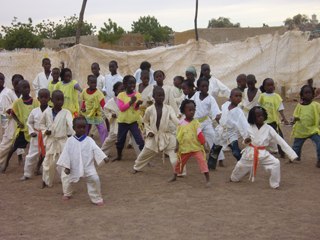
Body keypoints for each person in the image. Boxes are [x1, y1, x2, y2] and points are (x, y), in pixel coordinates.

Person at [229, 106, 297, 189]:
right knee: (240, 166)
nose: (261, 118)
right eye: (258, 116)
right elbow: (245, 141)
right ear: (253, 118)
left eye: (262, 115)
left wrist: (291, 154)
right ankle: (234, 178)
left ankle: (275, 184)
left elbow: (280, 140)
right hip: (250, 153)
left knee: (275, 163)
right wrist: (246, 141)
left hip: (262, 153)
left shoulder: (269, 128)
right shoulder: (250, 128)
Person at [132, 87, 185, 174]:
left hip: (166, 135)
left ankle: (181, 172)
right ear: (153, 96)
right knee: (143, 154)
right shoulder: (149, 109)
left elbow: (175, 120)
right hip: (153, 136)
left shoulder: (169, 108)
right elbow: (145, 121)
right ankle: (136, 167)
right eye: (159, 95)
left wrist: (183, 127)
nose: (161, 97)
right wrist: (149, 132)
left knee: (175, 155)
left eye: (163, 95)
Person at [57, 117, 109, 205]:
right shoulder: (70, 141)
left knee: (94, 179)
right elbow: (65, 154)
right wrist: (67, 166)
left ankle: (97, 198)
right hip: (74, 167)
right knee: (71, 181)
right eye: (79, 127)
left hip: (88, 167)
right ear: (74, 128)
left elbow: (96, 149)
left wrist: (103, 157)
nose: (82, 129)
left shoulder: (89, 140)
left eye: (84, 127)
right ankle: (67, 193)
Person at [167, 99, 211, 188]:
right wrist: (177, 146)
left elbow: (200, 135)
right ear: (184, 111)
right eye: (189, 110)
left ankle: (208, 180)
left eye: (193, 110)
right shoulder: (180, 124)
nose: (192, 112)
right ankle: (175, 176)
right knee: (179, 163)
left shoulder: (196, 123)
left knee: (202, 162)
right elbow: (178, 136)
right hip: (185, 148)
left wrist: (205, 146)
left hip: (196, 148)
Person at [0, 80, 40, 173]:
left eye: (28, 87)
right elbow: (13, 113)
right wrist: (18, 122)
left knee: (39, 149)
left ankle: (37, 168)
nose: (27, 89)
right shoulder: (17, 102)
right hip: (23, 130)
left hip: (33, 130)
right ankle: (6, 163)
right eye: (24, 88)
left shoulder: (35, 101)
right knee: (13, 148)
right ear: (19, 89)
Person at [39, 90, 74, 189]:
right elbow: (41, 124)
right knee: (47, 164)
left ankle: (67, 188)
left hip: (63, 141)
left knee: (65, 164)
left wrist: (74, 136)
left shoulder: (66, 112)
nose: (60, 102)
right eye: (57, 99)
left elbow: (71, 125)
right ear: (52, 100)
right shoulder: (47, 112)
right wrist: (46, 131)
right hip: (51, 141)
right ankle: (45, 181)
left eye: (62, 99)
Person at [208, 89, 248, 169]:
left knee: (236, 151)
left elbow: (244, 125)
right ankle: (210, 166)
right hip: (220, 131)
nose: (238, 98)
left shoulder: (239, 112)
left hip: (231, 134)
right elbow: (222, 114)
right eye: (236, 96)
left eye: (240, 96)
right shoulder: (226, 105)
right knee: (215, 150)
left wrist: (246, 137)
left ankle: (243, 166)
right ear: (230, 97)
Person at [191, 78, 225, 167]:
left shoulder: (211, 99)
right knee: (193, 141)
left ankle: (220, 159)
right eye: (202, 86)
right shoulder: (195, 95)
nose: (205, 88)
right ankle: (200, 160)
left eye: (206, 86)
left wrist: (220, 124)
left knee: (214, 139)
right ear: (198, 87)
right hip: (195, 123)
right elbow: (188, 103)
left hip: (206, 122)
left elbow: (216, 112)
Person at [101, 82, 140, 157]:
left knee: (136, 139)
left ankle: (141, 156)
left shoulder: (129, 99)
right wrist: (111, 116)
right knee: (110, 139)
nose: (123, 91)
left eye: (124, 89)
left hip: (131, 122)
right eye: (121, 89)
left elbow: (135, 111)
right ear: (116, 91)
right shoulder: (112, 101)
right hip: (117, 124)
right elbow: (106, 110)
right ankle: (102, 154)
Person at [112, 75, 144, 161]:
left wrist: (137, 104)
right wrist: (132, 101)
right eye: (130, 83)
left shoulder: (137, 95)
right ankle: (119, 156)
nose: (132, 85)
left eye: (133, 83)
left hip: (134, 121)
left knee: (140, 140)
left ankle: (144, 158)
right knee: (120, 141)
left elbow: (136, 108)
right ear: (125, 84)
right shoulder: (121, 95)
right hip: (123, 122)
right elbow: (122, 108)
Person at [20, 89, 50, 180]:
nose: (44, 99)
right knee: (30, 156)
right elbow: (29, 123)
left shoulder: (51, 111)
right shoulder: (34, 111)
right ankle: (27, 174)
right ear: (38, 99)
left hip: (48, 137)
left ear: (49, 99)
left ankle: (52, 176)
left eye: (46, 97)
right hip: (36, 136)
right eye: (41, 97)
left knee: (50, 157)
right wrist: (32, 131)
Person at [291, 85, 320, 168]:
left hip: (312, 129)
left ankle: (319, 161)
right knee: (296, 146)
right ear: (302, 95)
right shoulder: (299, 105)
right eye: (306, 93)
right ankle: (294, 158)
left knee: (319, 144)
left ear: (313, 94)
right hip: (301, 130)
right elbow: (295, 116)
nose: (308, 94)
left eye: (310, 93)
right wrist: (295, 118)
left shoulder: (316, 105)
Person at [258, 78, 288, 157]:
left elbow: (280, 109)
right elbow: (259, 107)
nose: (270, 87)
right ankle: (258, 151)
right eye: (268, 85)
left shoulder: (277, 97)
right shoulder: (262, 96)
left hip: (274, 122)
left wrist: (284, 118)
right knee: (261, 137)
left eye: (272, 85)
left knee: (279, 138)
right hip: (265, 122)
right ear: (264, 87)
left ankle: (282, 153)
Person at [0, 75, 25, 167]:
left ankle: (31, 166)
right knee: (4, 146)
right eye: (15, 84)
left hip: (23, 125)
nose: (18, 86)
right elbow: (8, 109)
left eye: (19, 84)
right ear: (12, 84)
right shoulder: (9, 94)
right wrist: (14, 112)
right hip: (12, 124)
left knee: (28, 145)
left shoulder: (26, 95)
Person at [80, 75, 108, 145]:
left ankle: (104, 148)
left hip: (96, 115)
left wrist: (107, 112)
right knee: (85, 131)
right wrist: (83, 108)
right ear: (88, 83)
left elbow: (103, 104)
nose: (93, 84)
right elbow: (84, 101)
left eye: (94, 83)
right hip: (87, 115)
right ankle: (84, 146)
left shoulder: (98, 93)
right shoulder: (84, 92)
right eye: (91, 83)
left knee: (103, 130)